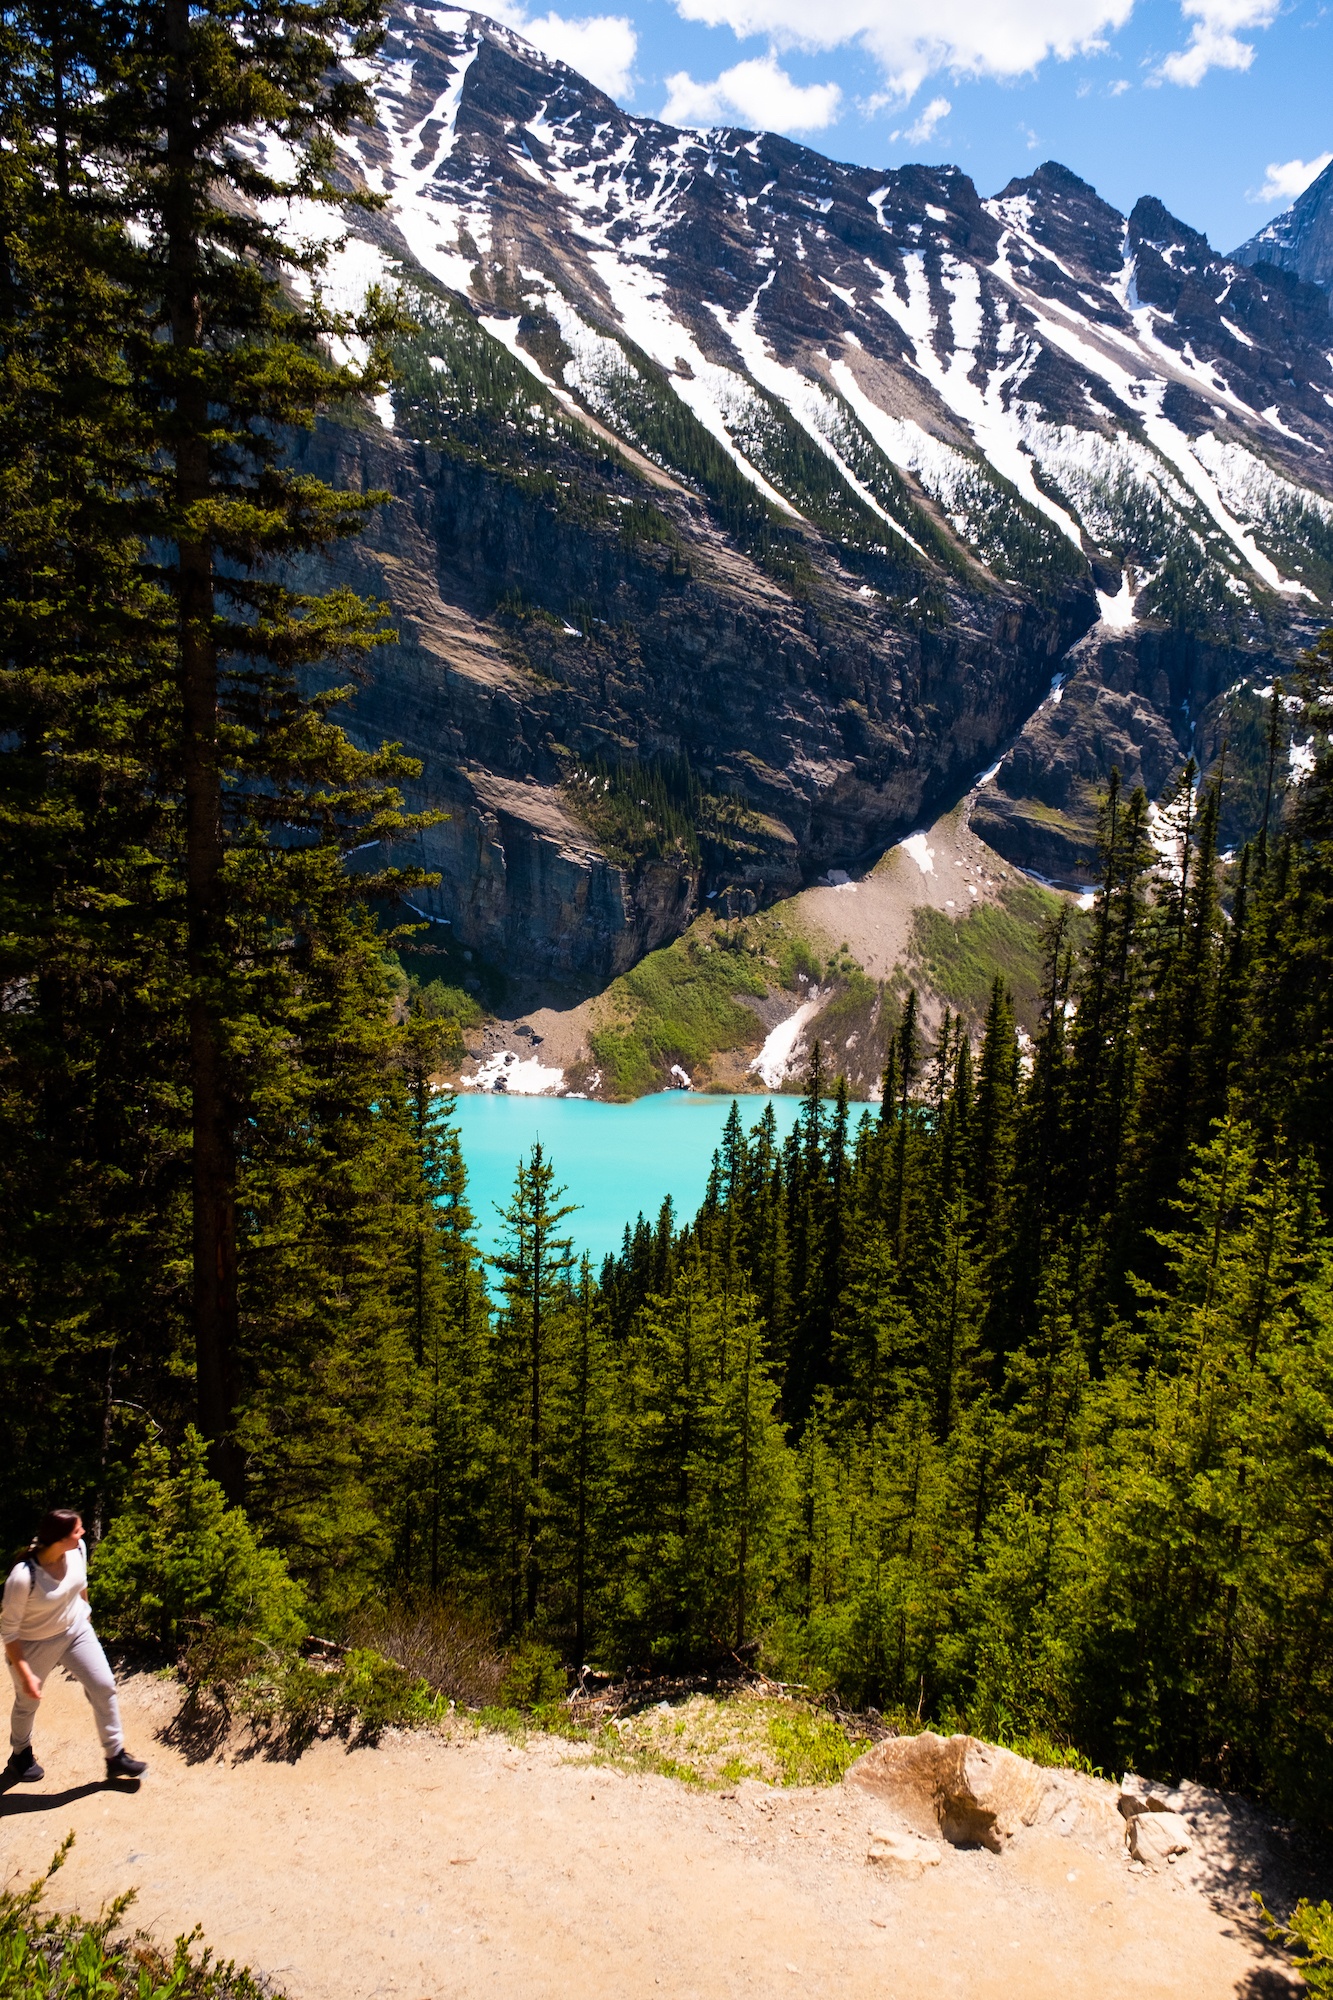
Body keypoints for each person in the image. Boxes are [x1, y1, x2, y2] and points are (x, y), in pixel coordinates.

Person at [2, 1508, 147, 1784]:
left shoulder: (77, 1548)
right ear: (59, 1538)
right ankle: (20, 1754)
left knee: (104, 1685)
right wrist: (26, 1673)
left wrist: (86, 1611)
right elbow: (9, 1633)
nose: (82, 1534)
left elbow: (81, 1583)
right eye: (77, 1530)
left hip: (75, 1631)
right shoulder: (23, 1577)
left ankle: (115, 1756)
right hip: (33, 1643)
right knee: (27, 1701)